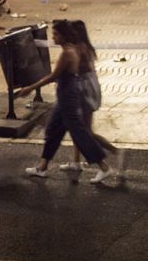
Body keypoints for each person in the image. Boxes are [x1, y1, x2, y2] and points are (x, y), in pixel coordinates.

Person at [16, 20, 115, 183]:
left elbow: (52, 77)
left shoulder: (68, 53)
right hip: (65, 96)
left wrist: (30, 88)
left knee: (79, 133)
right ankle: (42, 167)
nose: (52, 37)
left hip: (68, 97)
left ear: (63, 36)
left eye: (55, 34)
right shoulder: (70, 50)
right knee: (53, 130)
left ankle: (104, 167)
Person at [57, 20, 126, 176]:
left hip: (84, 90)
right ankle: (75, 161)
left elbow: (70, 71)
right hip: (90, 87)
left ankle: (116, 151)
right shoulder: (85, 46)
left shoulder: (77, 48)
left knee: (84, 131)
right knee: (77, 127)